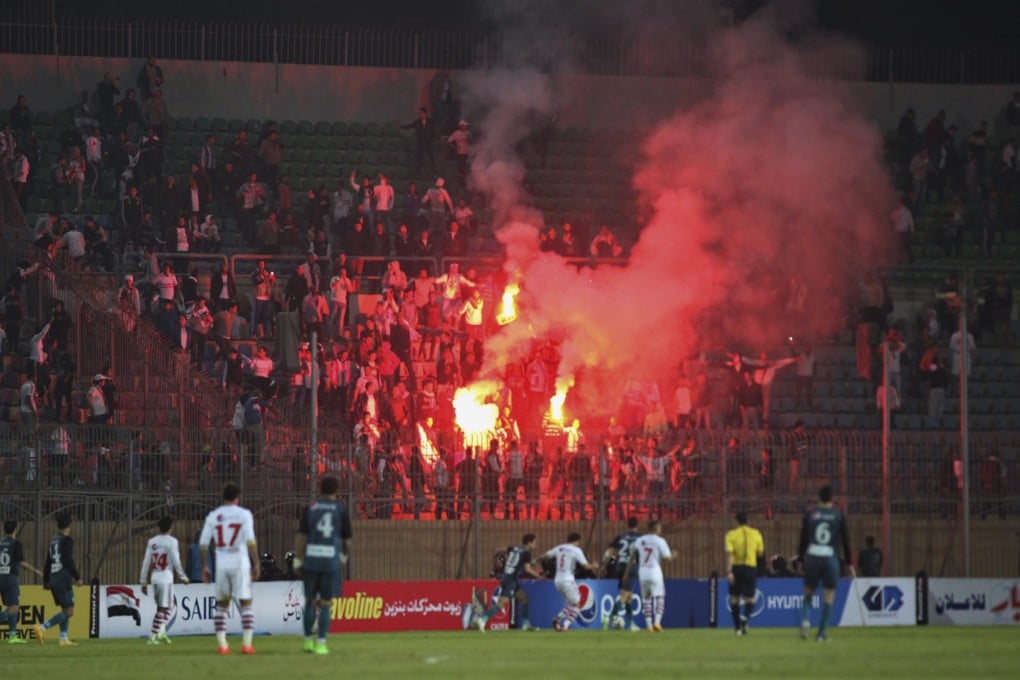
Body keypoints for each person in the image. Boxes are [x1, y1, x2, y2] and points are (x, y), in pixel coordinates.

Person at [293, 476, 352, 655]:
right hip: (330, 560)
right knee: (326, 602)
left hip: (311, 558)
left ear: (320, 489)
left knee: (309, 601)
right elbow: (347, 540)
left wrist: (298, 559)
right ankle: (321, 643)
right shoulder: (341, 510)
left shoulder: (311, 508)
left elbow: (302, 536)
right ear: (337, 490)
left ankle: (307, 642)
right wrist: (343, 556)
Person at [199, 483, 261, 655]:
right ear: (237, 498)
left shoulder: (214, 516)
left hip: (221, 565)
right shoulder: (244, 515)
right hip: (240, 563)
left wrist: (204, 565)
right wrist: (256, 562)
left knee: (222, 606)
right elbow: (250, 541)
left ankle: (222, 645)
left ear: (223, 497)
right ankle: (247, 644)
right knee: (246, 604)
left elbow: (203, 544)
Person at [798, 485, 854, 642]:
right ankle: (821, 634)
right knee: (828, 597)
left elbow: (803, 540)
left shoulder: (810, 514)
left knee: (808, 592)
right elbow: (846, 541)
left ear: (818, 498)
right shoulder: (838, 515)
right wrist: (849, 563)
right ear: (833, 499)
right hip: (830, 557)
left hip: (813, 555)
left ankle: (805, 620)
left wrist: (801, 559)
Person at [474, 534, 542, 632]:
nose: (536, 545)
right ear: (529, 543)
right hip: (510, 580)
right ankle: (482, 620)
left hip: (508, 577)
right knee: (501, 604)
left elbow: (501, 549)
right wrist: (539, 577)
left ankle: (526, 625)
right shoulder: (527, 553)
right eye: (535, 542)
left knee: (524, 598)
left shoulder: (514, 548)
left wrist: (496, 555)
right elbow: (527, 569)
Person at [33, 512, 83, 646]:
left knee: (65, 609)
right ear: (69, 525)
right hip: (63, 578)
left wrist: (45, 580)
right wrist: (77, 577)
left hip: (54, 578)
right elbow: (67, 560)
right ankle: (42, 627)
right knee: (69, 611)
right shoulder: (67, 540)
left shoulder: (53, 540)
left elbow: (48, 562)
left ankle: (63, 638)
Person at [139, 515, 189, 644]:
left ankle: (161, 632)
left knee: (165, 606)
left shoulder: (152, 541)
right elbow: (176, 560)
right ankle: (153, 635)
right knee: (165, 608)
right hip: (165, 577)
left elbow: (146, 561)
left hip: (154, 577)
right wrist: (183, 576)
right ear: (171, 527)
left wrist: (143, 581)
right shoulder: (172, 541)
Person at [0, 521, 44, 643]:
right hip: (10, 578)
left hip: (1, 577)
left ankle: (12, 636)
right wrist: (37, 571)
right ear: (15, 528)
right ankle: (12, 635)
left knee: (12, 606)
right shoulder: (16, 543)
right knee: (13, 608)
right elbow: (21, 562)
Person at [544, 532, 598, 631]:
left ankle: (558, 619)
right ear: (577, 541)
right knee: (578, 604)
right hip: (567, 580)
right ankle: (566, 625)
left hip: (557, 581)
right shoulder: (576, 550)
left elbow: (546, 555)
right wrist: (593, 566)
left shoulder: (559, 548)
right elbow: (585, 566)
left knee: (572, 604)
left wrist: (535, 560)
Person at [724, 510, 764, 636]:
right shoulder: (756, 534)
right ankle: (745, 618)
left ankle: (737, 629)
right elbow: (760, 553)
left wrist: (729, 571)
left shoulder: (731, 535)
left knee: (734, 598)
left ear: (736, 521)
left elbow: (730, 554)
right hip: (751, 568)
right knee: (750, 599)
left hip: (737, 568)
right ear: (748, 520)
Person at [632, 520, 673, 632]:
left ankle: (648, 625)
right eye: (659, 528)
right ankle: (657, 622)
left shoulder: (640, 540)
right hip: (655, 571)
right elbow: (667, 557)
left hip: (643, 572)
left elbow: (633, 553)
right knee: (660, 597)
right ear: (656, 529)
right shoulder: (660, 541)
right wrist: (673, 555)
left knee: (646, 598)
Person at [603, 517, 642, 631]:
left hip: (619, 566)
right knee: (625, 596)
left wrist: (604, 563)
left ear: (628, 525)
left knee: (628, 595)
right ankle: (609, 618)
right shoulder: (640, 538)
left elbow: (609, 551)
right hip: (631, 566)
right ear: (637, 525)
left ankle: (631, 623)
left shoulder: (621, 536)